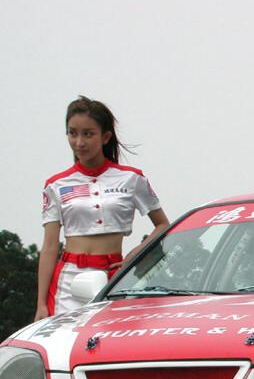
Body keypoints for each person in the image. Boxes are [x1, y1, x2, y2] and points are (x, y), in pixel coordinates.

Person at [35, 96, 170, 321]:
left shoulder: (132, 178)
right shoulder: (55, 185)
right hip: (67, 281)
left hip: (113, 275)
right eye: (72, 133)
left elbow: (163, 225)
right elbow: (49, 246)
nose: (79, 142)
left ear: (105, 137)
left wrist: (137, 253)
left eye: (88, 134)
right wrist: (40, 303)